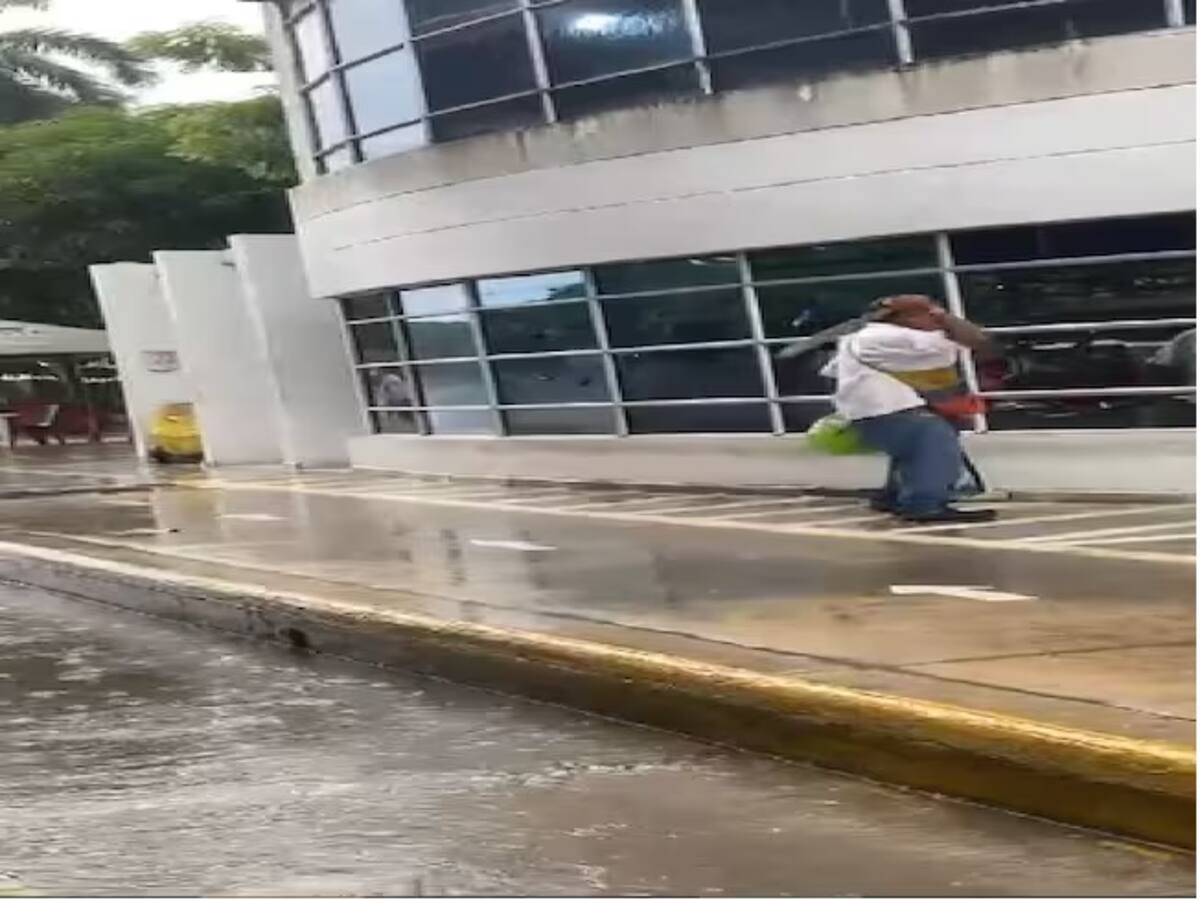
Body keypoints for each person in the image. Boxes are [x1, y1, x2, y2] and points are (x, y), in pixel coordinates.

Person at [821, 295, 998, 524]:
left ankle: (892, 497)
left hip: (872, 409)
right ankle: (923, 505)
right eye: (928, 314)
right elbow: (976, 338)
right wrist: (944, 317)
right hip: (887, 407)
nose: (933, 319)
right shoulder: (891, 336)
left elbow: (832, 371)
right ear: (908, 317)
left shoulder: (863, 337)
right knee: (934, 442)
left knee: (913, 451)